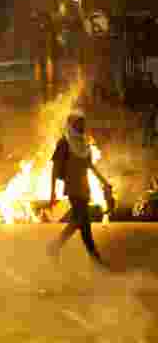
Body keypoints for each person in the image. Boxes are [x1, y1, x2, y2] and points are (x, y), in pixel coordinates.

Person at [48, 111, 112, 268]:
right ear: (71, 124)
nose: (82, 126)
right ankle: (95, 258)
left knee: (81, 223)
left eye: (83, 123)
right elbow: (55, 169)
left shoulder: (84, 143)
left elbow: (90, 165)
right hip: (72, 188)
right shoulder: (64, 143)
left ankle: (55, 246)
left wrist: (104, 181)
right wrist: (53, 192)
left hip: (84, 188)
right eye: (78, 123)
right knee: (83, 221)